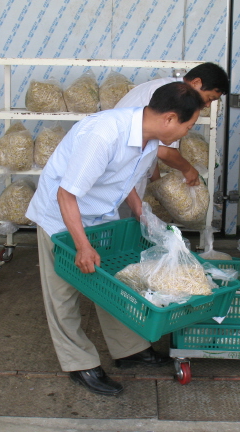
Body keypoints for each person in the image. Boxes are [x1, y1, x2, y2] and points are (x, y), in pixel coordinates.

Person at [26, 82, 204, 396]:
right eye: (187, 127)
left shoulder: (148, 138)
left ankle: (129, 349)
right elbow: (66, 194)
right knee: (63, 292)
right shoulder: (105, 135)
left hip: (100, 216)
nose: (186, 134)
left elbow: (124, 181)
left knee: (113, 284)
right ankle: (79, 363)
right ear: (170, 119)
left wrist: (142, 215)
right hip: (62, 218)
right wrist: (82, 245)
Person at [115, 62, 229, 190]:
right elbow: (164, 151)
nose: (208, 105)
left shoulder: (166, 88)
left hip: (126, 174)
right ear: (196, 82)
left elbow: (152, 148)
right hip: (119, 174)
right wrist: (188, 170)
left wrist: (156, 184)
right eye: (209, 98)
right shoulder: (175, 97)